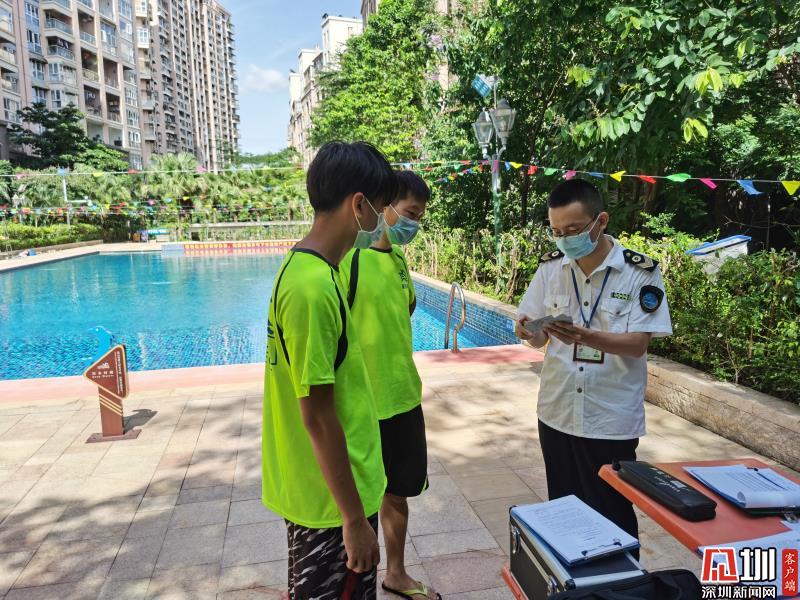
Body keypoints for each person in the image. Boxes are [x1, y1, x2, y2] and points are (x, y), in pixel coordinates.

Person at [262, 141, 397, 599]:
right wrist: (354, 520)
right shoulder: (312, 289)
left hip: (330, 492)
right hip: (331, 504)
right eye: (380, 207)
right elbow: (317, 417)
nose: (382, 220)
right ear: (359, 205)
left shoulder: (312, 270)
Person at [515, 179, 672, 551]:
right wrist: (527, 330)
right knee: (564, 511)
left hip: (609, 418)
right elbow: (536, 337)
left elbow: (638, 344)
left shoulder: (639, 272)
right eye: (556, 232)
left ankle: (622, 581)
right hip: (557, 411)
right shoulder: (551, 268)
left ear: (600, 221)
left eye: (572, 230)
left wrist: (585, 336)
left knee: (612, 511)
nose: (564, 240)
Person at [340, 171, 440, 600]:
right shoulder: (350, 260)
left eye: (419, 216)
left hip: (403, 397)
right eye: (410, 213)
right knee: (359, 503)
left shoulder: (399, 260)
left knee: (399, 494)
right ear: (384, 207)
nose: (414, 223)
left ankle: (396, 573)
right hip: (364, 405)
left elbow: (405, 310)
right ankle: (350, 584)